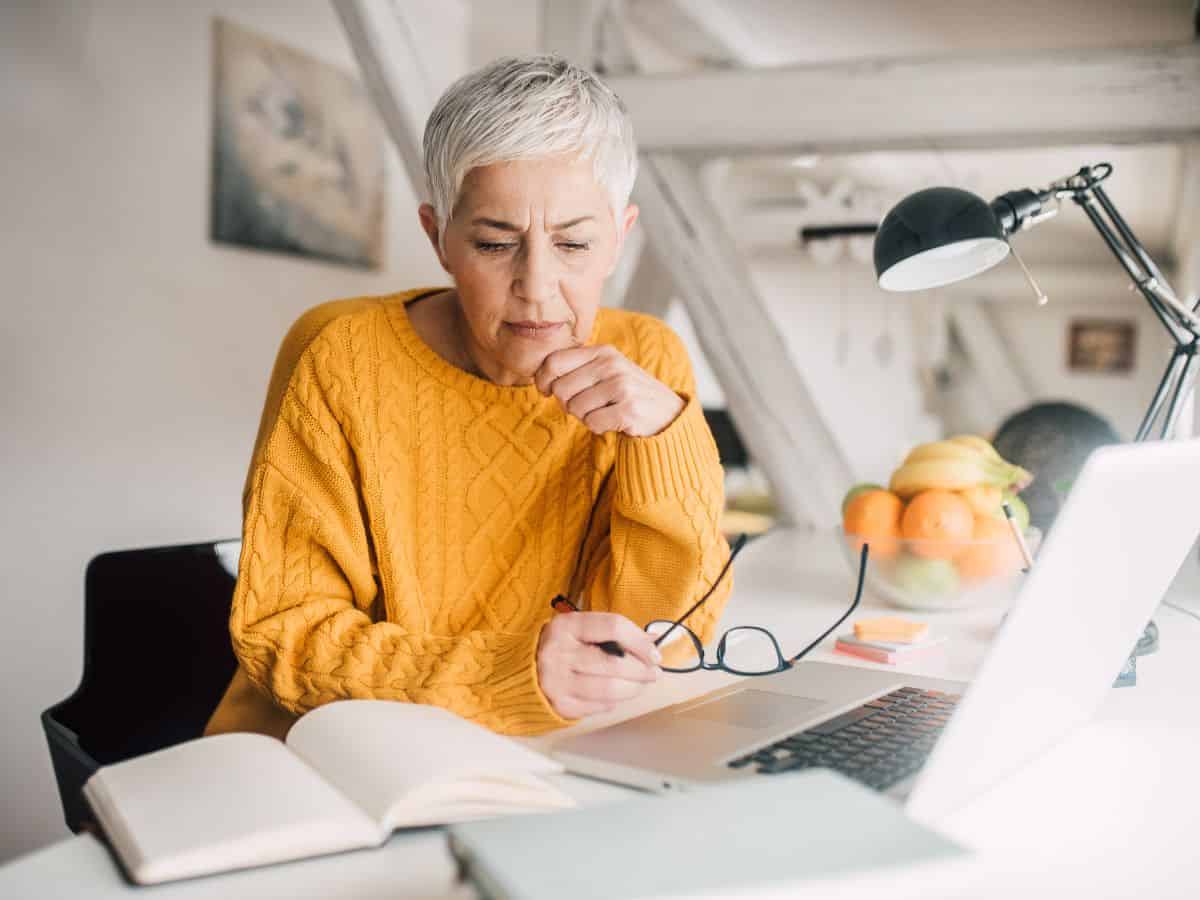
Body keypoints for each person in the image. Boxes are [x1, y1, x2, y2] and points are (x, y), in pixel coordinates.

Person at [204, 55, 732, 739]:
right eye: (493, 242)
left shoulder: (649, 360)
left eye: (573, 242)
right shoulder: (339, 356)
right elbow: (284, 635)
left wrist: (668, 441)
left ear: (619, 239)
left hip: (544, 751)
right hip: (324, 750)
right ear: (439, 237)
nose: (537, 287)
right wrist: (500, 673)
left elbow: (664, 636)